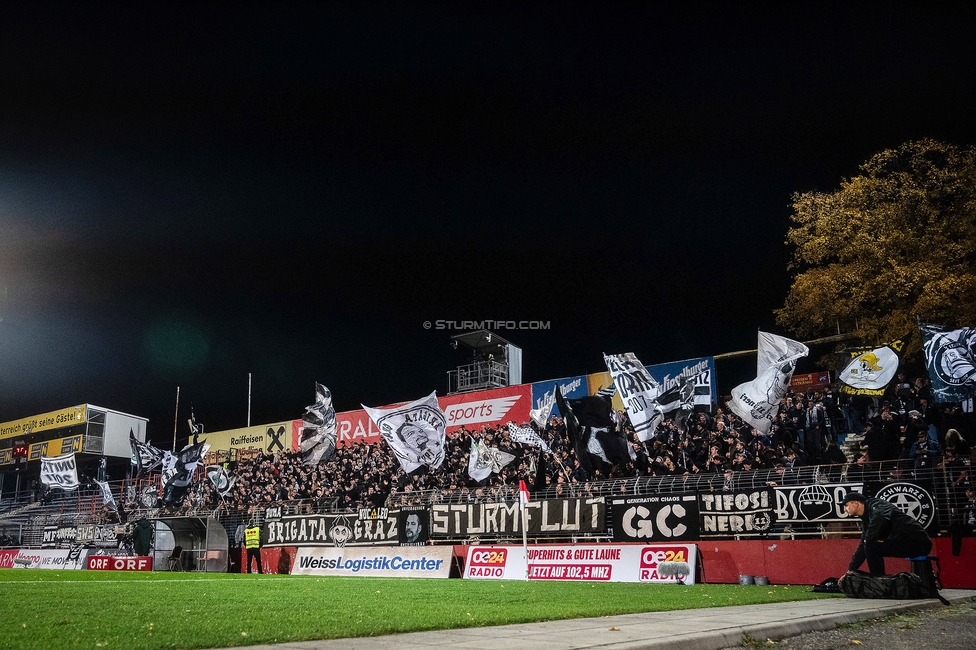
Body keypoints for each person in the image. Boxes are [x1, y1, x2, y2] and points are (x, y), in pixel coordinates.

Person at [840, 492, 931, 576]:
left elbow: (881, 516)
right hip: (906, 542)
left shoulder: (876, 504)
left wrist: (869, 538)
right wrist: (850, 570)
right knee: (869, 545)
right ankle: (880, 583)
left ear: (856, 503)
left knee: (870, 546)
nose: (844, 509)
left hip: (919, 543)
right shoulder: (867, 519)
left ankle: (880, 583)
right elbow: (862, 545)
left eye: (846, 505)